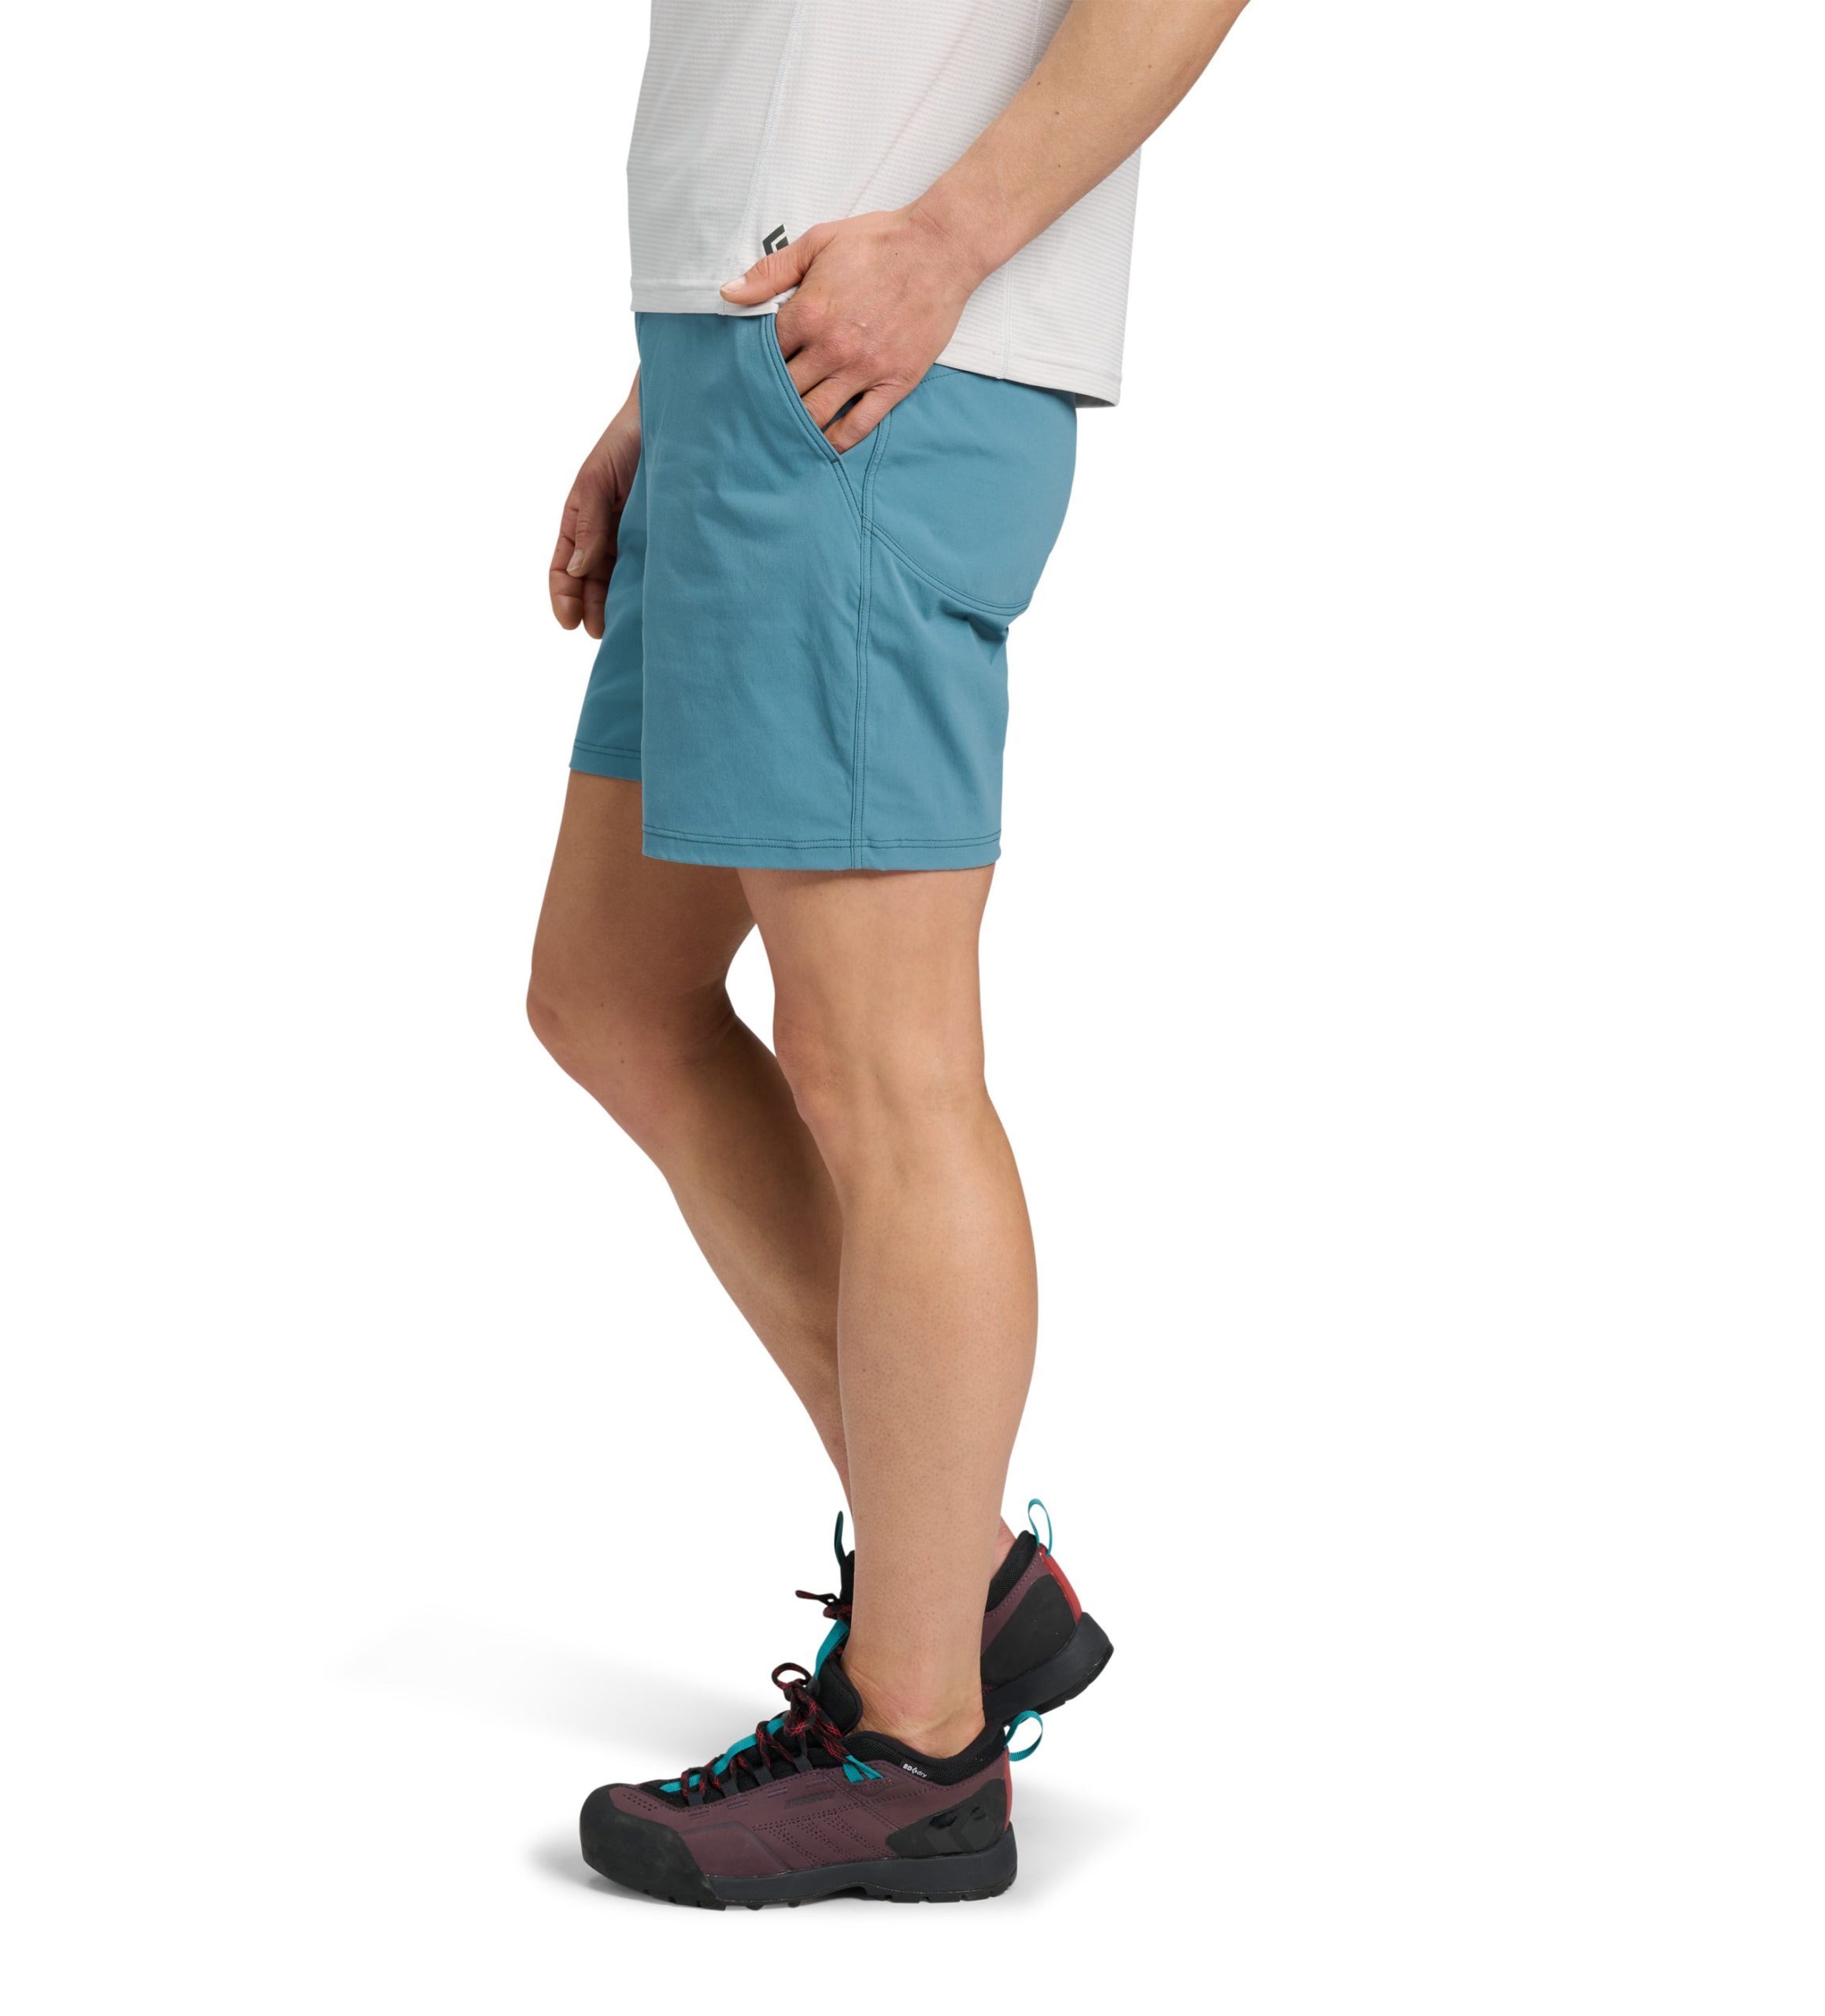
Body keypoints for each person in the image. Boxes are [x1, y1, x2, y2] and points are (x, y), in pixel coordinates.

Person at [530, 0, 1250, 1907]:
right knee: (610, 990)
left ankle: (919, 1743)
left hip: (876, 377)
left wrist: (944, 242)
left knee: (881, 1064)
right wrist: (666, 388)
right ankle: (966, 1578)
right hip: (745, 359)